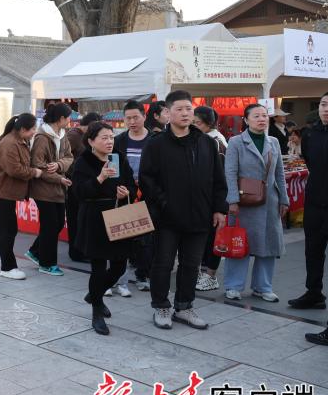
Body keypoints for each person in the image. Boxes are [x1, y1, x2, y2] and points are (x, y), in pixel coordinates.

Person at [139, 90, 227, 331]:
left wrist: (219, 208)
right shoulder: (157, 144)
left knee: (191, 264)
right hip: (167, 217)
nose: (185, 113)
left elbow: (218, 179)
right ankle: (161, 306)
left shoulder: (207, 143)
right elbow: (147, 179)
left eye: (189, 108)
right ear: (167, 113)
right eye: (179, 109)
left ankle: (184, 307)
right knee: (163, 263)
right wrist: (164, 203)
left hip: (200, 216)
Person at [72, 121, 136, 335]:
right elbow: (79, 193)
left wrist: (125, 192)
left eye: (111, 137)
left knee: (119, 265)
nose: (109, 142)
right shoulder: (83, 162)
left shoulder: (118, 158)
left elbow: (131, 185)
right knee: (98, 268)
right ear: (91, 141)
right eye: (104, 138)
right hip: (94, 220)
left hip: (117, 217)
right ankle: (96, 311)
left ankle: (94, 294)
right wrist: (100, 178)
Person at [223, 103, 288, 303]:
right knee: (239, 242)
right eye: (256, 116)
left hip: (269, 201)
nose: (262, 119)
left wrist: (284, 199)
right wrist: (232, 200)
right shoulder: (235, 142)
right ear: (246, 120)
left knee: (269, 245)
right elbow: (230, 172)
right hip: (243, 202)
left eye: (264, 115)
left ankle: (263, 287)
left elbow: (279, 173)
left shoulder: (274, 142)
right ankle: (233, 286)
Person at [0, 114, 40, 279]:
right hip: (0, 192)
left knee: (5, 226)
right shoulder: (9, 143)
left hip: (5, 192)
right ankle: (8, 267)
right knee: (8, 229)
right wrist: (35, 172)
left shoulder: (19, 140)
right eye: (32, 129)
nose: (34, 132)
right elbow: (15, 170)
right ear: (23, 129)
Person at [24, 103, 73, 275]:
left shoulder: (62, 135)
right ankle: (47, 263)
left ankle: (35, 251)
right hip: (43, 189)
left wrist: (59, 165)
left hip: (58, 187)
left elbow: (69, 157)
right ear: (61, 119)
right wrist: (59, 177)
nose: (69, 121)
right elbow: (38, 165)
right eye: (68, 118)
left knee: (57, 223)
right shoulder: (42, 138)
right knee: (51, 225)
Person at [291, 92, 328, 312]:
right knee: (313, 250)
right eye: (323, 104)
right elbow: (310, 163)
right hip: (314, 202)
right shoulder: (311, 134)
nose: (326, 109)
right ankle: (313, 293)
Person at [113, 100, 153, 296]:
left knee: (146, 238)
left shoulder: (155, 140)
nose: (132, 121)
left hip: (148, 196)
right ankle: (120, 277)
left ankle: (142, 274)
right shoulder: (118, 141)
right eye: (128, 118)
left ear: (144, 116)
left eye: (135, 117)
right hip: (125, 195)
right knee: (125, 237)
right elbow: (113, 168)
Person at [192, 105, 227, 292]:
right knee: (205, 239)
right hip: (204, 200)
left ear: (208, 123)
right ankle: (203, 273)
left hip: (212, 199)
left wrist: (219, 205)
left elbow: (219, 177)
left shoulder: (214, 141)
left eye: (197, 123)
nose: (194, 126)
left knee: (213, 239)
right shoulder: (204, 138)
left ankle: (210, 276)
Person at [65, 112, 101, 263]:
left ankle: (81, 251)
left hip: (82, 182)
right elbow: (64, 156)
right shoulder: (74, 135)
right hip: (73, 183)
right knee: (74, 220)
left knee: (81, 220)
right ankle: (76, 252)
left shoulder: (84, 137)